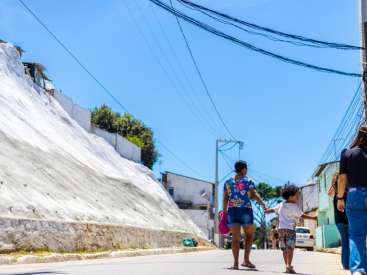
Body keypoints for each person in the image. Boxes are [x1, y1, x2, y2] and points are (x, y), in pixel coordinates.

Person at [223, 160, 267, 270]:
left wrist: (224, 213)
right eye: (246, 169)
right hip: (245, 210)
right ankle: (246, 260)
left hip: (232, 211)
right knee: (249, 236)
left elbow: (225, 198)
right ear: (243, 169)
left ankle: (235, 264)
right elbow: (253, 194)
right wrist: (262, 203)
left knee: (235, 238)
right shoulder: (248, 181)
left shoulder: (228, 182)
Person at [266, 183, 316, 274]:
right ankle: (289, 265)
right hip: (290, 230)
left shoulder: (281, 204)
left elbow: (272, 210)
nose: (298, 197)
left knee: (284, 249)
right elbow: (302, 215)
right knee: (290, 248)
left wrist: (267, 210)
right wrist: (313, 218)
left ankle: (287, 266)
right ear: (290, 196)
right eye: (297, 195)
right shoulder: (294, 207)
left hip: (281, 230)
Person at [337, 126, 367, 275]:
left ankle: (359, 270)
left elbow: (342, 179)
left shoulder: (347, 153)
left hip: (355, 195)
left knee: (357, 235)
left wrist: (340, 198)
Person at [328, 171, 349, 270]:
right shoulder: (345, 194)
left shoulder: (336, 195)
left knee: (345, 242)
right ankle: (348, 263)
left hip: (339, 222)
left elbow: (329, 192)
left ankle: (345, 264)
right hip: (347, 221)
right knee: (350, 241)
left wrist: (334, 183)